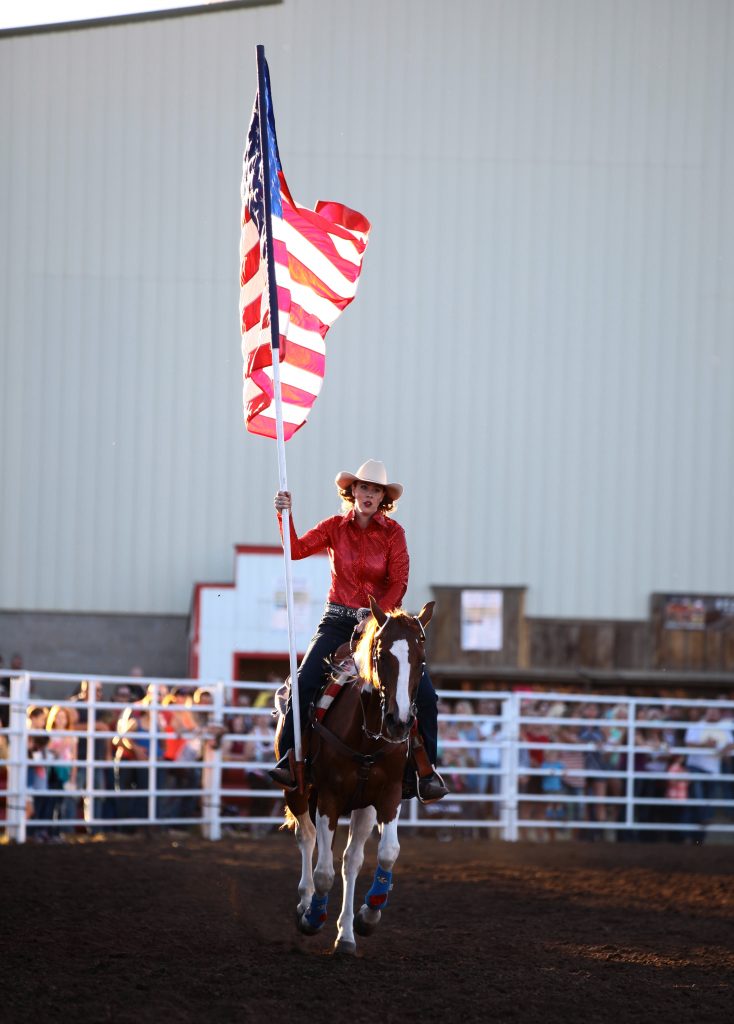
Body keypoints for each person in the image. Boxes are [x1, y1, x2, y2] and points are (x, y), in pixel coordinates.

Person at [268, 458, 447, 802]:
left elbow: (399, 582)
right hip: (336, 621)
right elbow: (297, 549)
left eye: (376, 489)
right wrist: (284, 514)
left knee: (425, 696)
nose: (368, 494)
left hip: (379, 625)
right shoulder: (334, 527)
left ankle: (425, 771)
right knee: (304, 682)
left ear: (384, 498)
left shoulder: (395, 534)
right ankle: (290, 761)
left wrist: (376, 615)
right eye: (363, 487)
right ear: (352, 491)